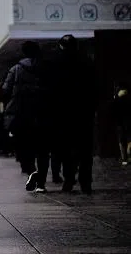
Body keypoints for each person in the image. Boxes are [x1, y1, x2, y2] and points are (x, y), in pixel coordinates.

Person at [2, 41, 56, 193]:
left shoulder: (16, 69)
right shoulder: (47, 68)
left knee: (26, 148)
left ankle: (32, 172)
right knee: (43, 151)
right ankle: (41, 184)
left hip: (22, 115)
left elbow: (6, 90)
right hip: (43, 114)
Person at [56, 35, 95, 194]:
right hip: (84, 111)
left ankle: (69, 180)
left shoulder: (57, 63)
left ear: (61, 46)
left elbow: (54, 90)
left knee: (66, 149)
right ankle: (85, 182)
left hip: (65, 113)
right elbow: (95, 86)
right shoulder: (86, 61)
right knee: (86, 149)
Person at [114, 83, 131, 166]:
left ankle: (124, 159)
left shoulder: (117, 98)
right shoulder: (128, 97)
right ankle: (128, 157)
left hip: (120, 123)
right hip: (127, 121)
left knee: (121, 141)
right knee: (129, 140)